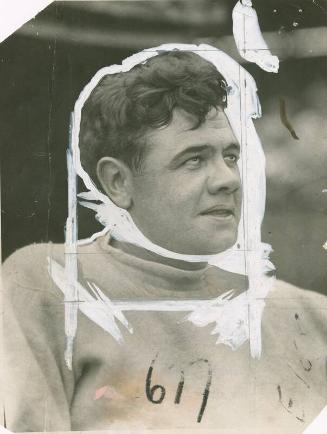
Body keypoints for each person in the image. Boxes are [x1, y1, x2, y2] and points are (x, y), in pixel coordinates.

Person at [2, 50, 327, 432]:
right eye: (194, 159)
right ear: (118, 183)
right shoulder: (50, 286)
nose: (229, 179)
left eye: (230, 156)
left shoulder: (310, 317)